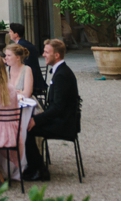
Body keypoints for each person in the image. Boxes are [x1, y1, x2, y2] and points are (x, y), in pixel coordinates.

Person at [22, 40, 80, 182]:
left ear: (57, 55)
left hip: (65, 124)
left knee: (26, 129)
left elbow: (58, 108)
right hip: (62, 118)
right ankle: (34, 167)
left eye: (47, 52)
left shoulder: (62, 75)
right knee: (27, 126)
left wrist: (36, 119)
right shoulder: (60, 71)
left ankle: (39, 170)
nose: (43, 55)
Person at [9, 23, 46, 96]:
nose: (9, 33)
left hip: (32, 79)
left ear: (16, 34)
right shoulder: (25, 43)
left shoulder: (20, 46)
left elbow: (19, 63)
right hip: (35, 75)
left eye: (10, 31)